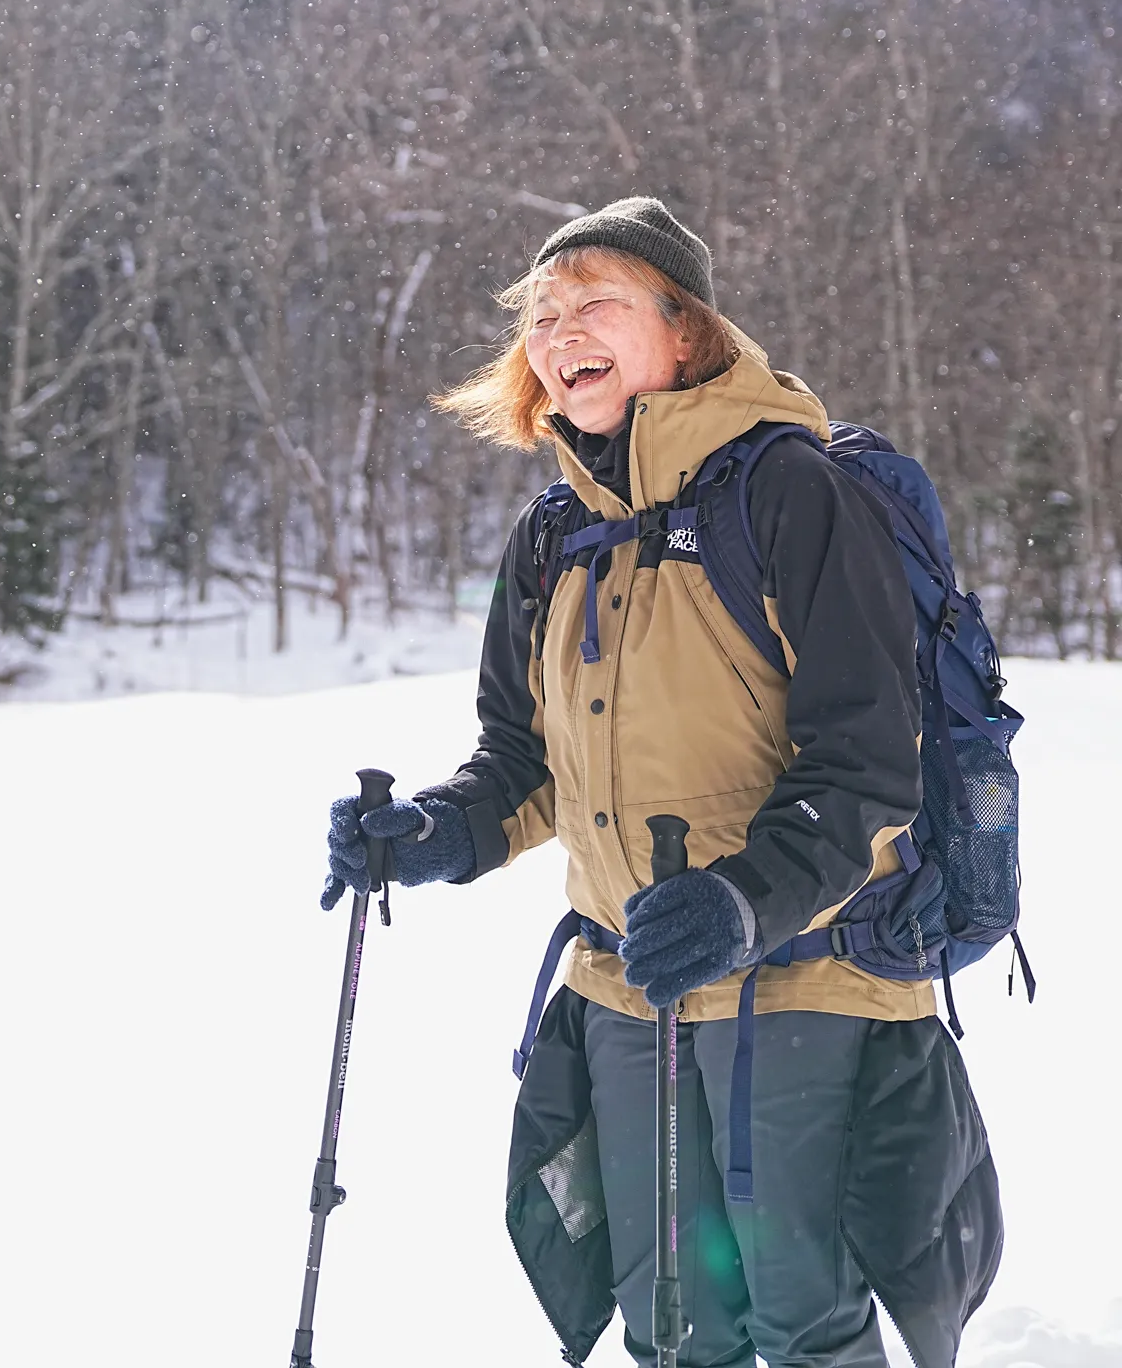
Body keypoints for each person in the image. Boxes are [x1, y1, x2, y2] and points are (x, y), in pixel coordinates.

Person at [322, 195, 1000, 1368]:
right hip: (625, 985)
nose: (557, 330)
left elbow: (868, 763)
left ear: (683, 332)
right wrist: (430, 833)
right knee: (668, 1322)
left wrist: (743, 899)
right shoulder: (551, 534)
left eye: (594, 303)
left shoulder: (791, 491)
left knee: (804, 1318)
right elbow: (522, 760)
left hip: (808, 980)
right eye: (541, 314)